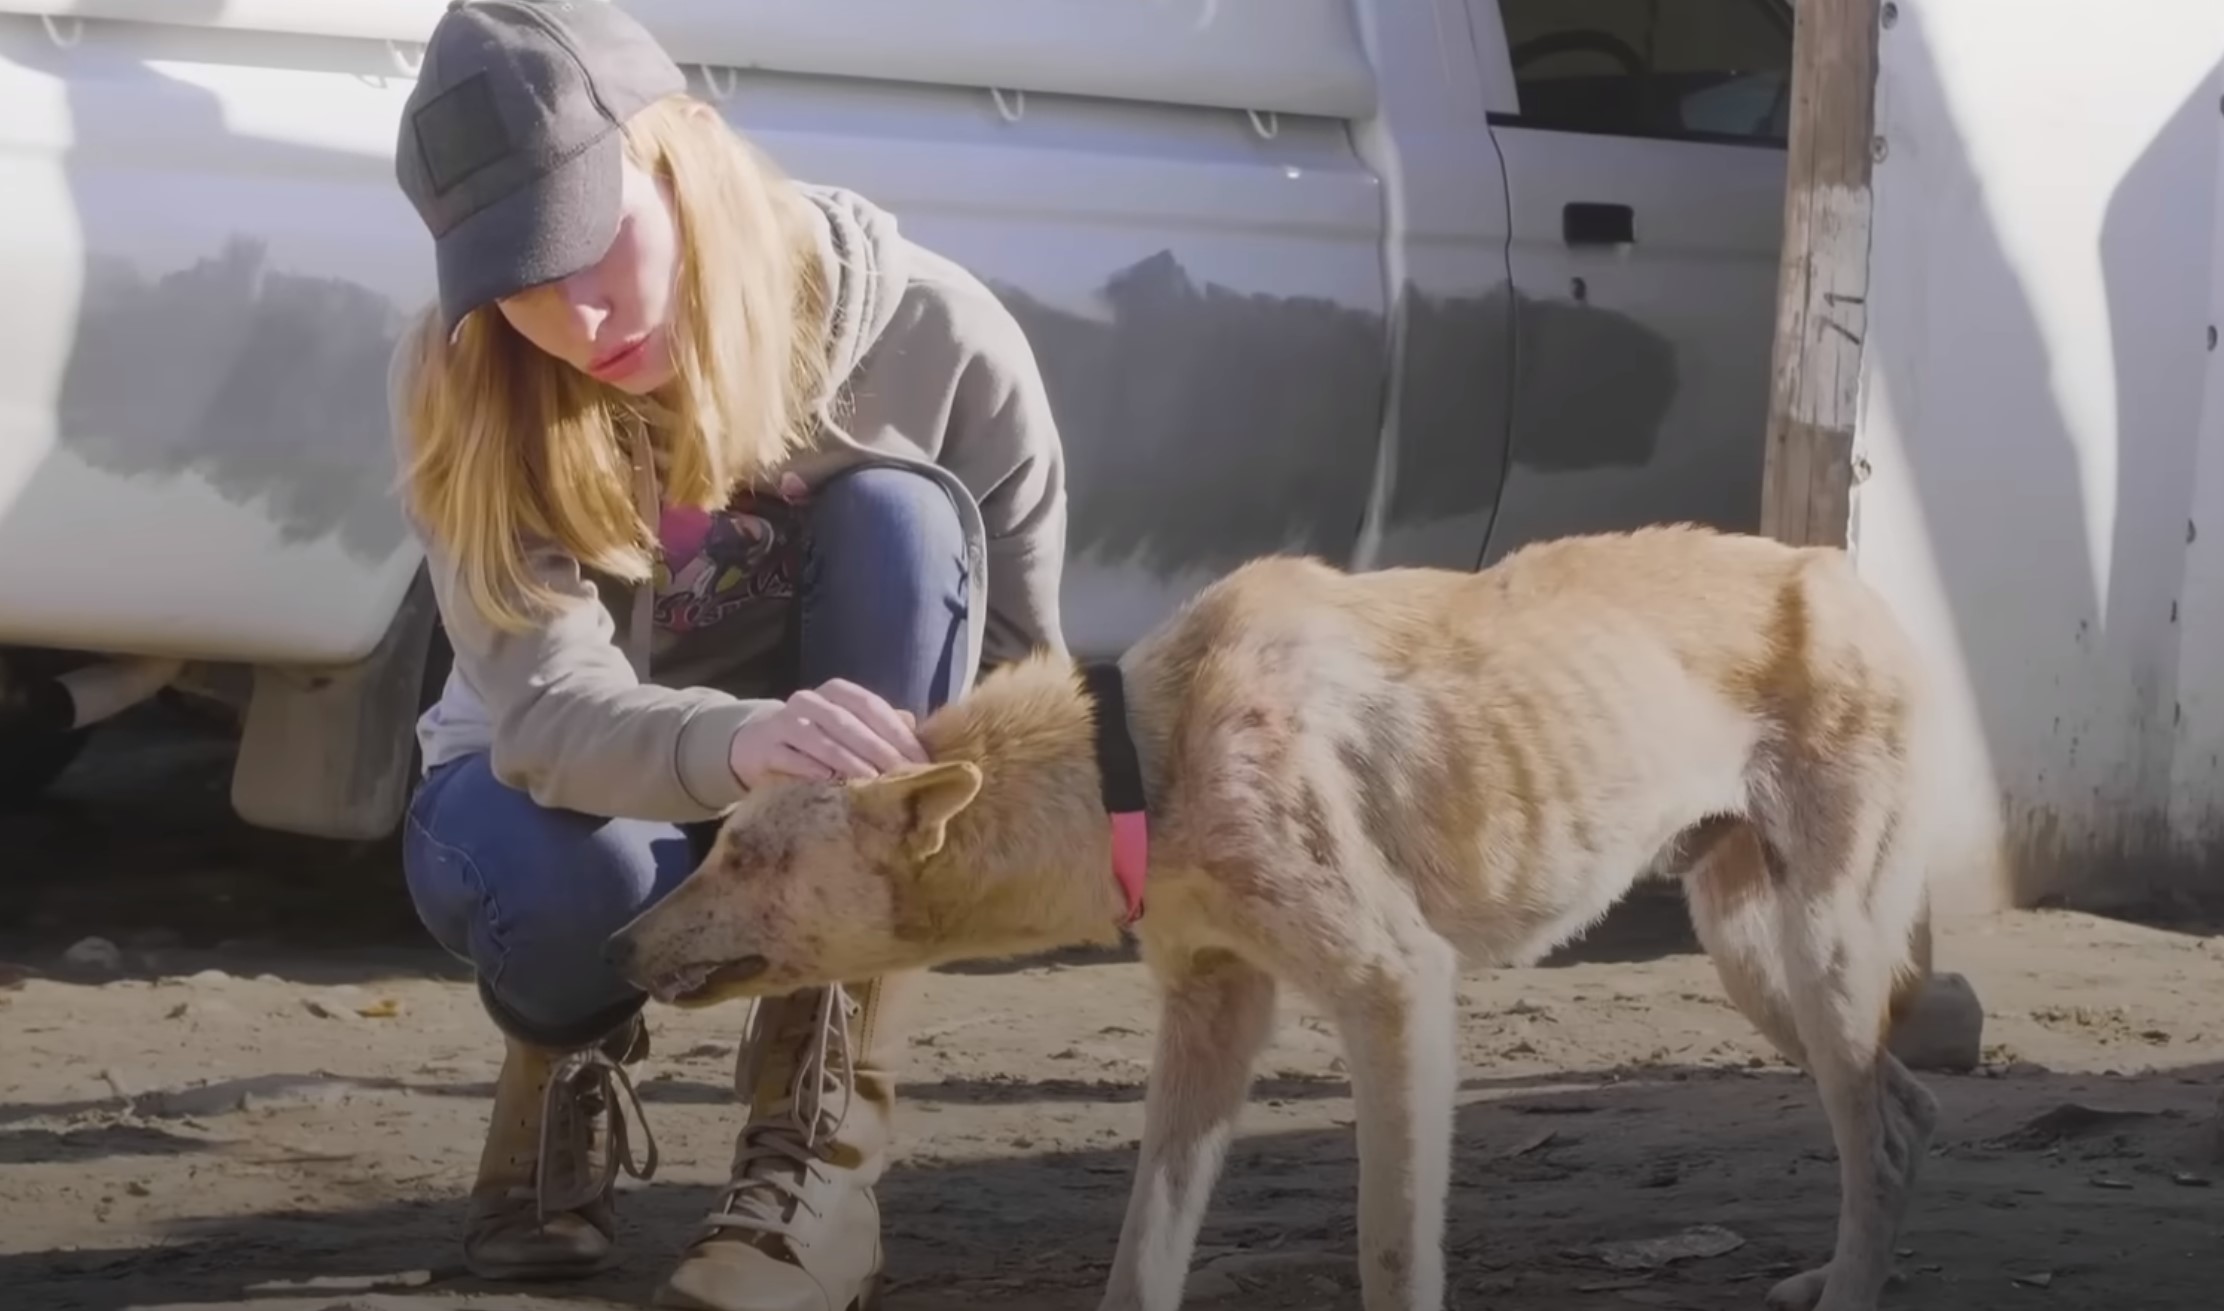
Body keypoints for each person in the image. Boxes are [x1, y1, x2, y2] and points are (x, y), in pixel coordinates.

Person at [383, 2, 1069, 1307]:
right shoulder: (469, 377)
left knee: (903, 514)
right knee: (561, 886)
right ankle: (560, 1062)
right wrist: (741, 741)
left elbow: (1019, 675)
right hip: (563, 795)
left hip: (837, 809)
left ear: (685, 148)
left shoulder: (939, 334)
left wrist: (921, 837)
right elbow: (543, 707)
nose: (576, 315)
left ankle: (816, 1150)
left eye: (593, 242)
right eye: (518, 279)